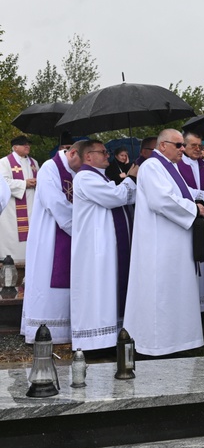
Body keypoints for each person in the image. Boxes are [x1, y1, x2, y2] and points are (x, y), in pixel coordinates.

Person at [123, 129, 204, 356]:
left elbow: (183, 193)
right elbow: (162, 200)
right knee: (161, 293)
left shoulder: (170, 167)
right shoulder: (151, 167)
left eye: (182, 145)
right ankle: (158, 343)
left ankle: (179, 340)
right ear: (162, 146)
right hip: (160, 244)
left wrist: (199, 200)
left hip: (174, 242)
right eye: (178, 145)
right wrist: (193, 209)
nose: (182, 149)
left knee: (175, 292)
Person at [71, 141, 138, 350]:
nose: (107, 155)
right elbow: (115, 197)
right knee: (98, 291)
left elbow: (127, 196)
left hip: (107, 246)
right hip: (95, 248)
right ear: (88, 156)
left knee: (109, 290)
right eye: (103, 152)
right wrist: (132, 177)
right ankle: (94, 343)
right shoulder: (85, 177)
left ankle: (112, 338)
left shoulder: (100, 177)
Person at [22, 141, 85, 343]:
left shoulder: (76, 171)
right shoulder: (50, 167)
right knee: (45, 277)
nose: (83, 168)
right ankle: (45, 330)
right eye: (82, 162)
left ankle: (68, 330)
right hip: (50, 234)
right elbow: (54, 202)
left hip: (69, 232)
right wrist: (79, 228)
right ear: (73, 153)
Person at [179, 131, 204, 312]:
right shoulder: (178, 164)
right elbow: (180, 188)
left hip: (203, 217)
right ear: (184, 146)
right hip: (187, 217)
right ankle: (190, 307)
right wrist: (200, 196)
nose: (198, 149)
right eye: (193, 145)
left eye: (200, 146)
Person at [0, 135, 40, 261]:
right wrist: (24, 184)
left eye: (28, 143)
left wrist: (37, 182)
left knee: (34, 237)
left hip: (33, 206)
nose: (27, 146)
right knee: (14, 244)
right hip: (13, 210)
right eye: (24, 144)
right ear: (15, 147)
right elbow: (3, 183)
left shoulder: (34, 163)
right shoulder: (4, 162)